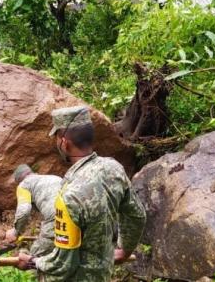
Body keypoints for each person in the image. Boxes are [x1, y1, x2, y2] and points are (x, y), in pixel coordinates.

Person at [16, 106, 147, 281]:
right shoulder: (113, 169)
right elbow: (137, 216)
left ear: (64, 142)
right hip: (102, 275)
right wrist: (124, 250)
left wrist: (32, 262)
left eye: (56, 138)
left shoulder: (69, 196)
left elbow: (63, 265)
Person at [4, 164, 63, 258]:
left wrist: (15, 232)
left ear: (19, 180)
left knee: (32, 258)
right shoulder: (55, 178)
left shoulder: (24, 185)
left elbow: (24, 211)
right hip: (79, 215)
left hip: (58, 217)